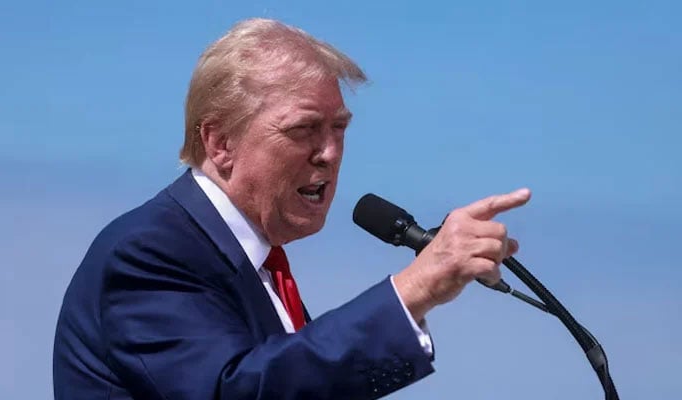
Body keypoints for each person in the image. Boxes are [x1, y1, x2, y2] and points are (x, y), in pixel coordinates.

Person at [53, 18, 531, 399]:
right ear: (221, 143)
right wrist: (414, 289)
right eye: (303, 130)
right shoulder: (151, 251)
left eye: (339, 128)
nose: (329, 152)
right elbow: (236, 392)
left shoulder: (257, 264)